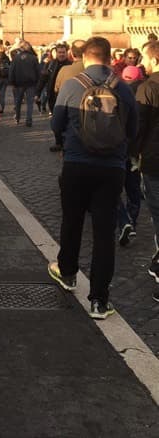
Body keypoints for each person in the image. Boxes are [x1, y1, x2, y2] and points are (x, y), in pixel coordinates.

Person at [48, 37, 138, 319]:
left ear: (85, 58)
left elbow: (56, 122)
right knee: (104, 232)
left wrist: (66, 141)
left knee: (72, 221)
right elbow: (133, 128)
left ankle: (68, 273)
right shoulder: (123, 87)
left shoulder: (73, 85)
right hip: (111, 168)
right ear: (110, 58)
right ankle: (100, 300)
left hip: (76, 163)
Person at [132, 39, 159, 300]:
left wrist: (131, 154)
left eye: (145, 58)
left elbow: (139, 128)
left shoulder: (148, 87)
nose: (142, 63)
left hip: (155, 161)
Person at [117, 65, 144, 246]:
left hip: (117, 151)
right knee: (134, 191)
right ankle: (132, 220)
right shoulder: (145, 93)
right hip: (135, 153)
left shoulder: (117, 93)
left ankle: (124, 221)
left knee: (114, 190)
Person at [37, 43, 70, 150]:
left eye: (63, 52)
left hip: (66, 96)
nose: (61, 54)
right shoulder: (50, 64)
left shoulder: (70, 65)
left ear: (67, 53)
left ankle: (66, 142)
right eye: (59, 52)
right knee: (56, 120)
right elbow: (43, 79)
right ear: (56, 53)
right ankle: (58, 142)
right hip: (53, 96)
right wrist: (37, 93)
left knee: (67, 120)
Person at [8, 40, 40, 127]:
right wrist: (37, 82)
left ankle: (18, 117)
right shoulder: (34, 58)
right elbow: (38, 71)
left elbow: (12, 71)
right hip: (31, 83)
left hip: (19, 83)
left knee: (18, 102)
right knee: (30, 103)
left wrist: (12, 82)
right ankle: (29, 119)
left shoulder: (16, 58)